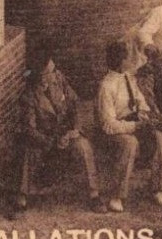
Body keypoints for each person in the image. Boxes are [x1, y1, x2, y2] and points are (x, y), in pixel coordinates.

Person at [17, 58, 109, 213]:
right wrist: (53, 141)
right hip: (47, 138)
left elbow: (76, 105)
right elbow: (29, 129)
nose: (57, 72)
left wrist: (75, 128)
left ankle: (94, 194)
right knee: (29, 152)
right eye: (52, 71)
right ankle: (21, 198)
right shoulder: (29, 96)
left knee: (84, 147)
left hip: (67, 132)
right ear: (42, 77)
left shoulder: (59, 80)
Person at [96, 41, 162, 212]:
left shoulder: (129, 78)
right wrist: (135, 126)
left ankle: (159, 189)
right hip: (115, 131)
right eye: (128, 56)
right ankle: (117, 195)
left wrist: (145, 115)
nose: (132, 60)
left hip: (134, 122)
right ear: (121, 60)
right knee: (129, 144)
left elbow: (141, 101)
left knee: (158, 138)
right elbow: (108, 125)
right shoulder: (106, 87)